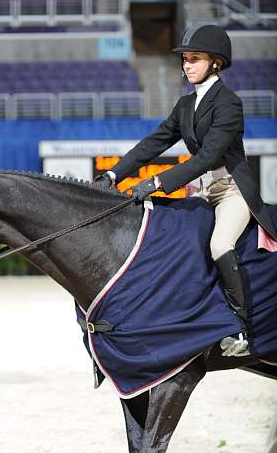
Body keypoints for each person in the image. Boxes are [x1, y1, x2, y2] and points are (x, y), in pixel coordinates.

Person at [96, 24, 277, 357]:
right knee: (179, 245)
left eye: (195, 59)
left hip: (232, 190)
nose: (187, 65)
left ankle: (240, 329)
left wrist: (157, 182)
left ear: (216, 63)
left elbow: (209, 156)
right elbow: (154, 143)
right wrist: (112, 174)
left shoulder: (229, 104)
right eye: (185, 60)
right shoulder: (185, 105)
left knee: (220, 243)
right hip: (204, 190)